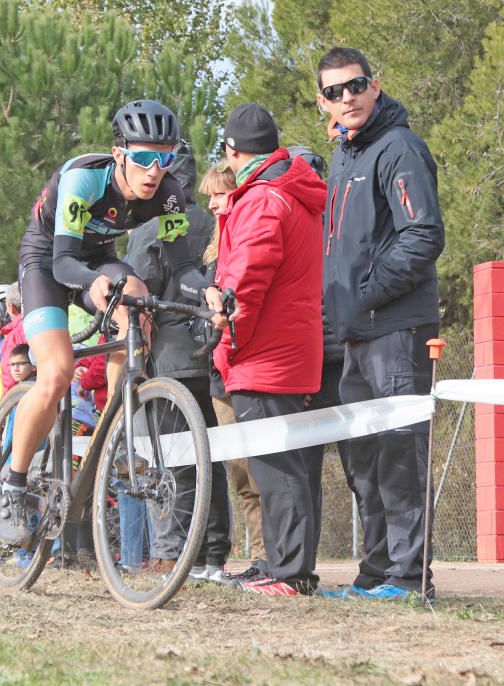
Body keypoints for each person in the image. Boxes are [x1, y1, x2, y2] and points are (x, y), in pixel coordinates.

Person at [2, 99, 222, 544]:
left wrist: (208, 290)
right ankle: (13, 483)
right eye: (143, 158)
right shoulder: (83, 178)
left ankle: (110, 427)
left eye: (164, 157)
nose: (154, 170)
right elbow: (63, 261)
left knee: (137, 300)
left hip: (99, 258)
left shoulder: (171, 193)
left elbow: (182, 270)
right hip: (48, 262)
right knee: (58, 372)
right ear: (119, 153)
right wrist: (94, 283)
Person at [317, 47, 445, 600]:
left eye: (355, 85)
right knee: (363, 462)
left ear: (375, 84)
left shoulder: (399, 148)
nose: (346, 97)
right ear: (322, 99)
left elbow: (423, 235)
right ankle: (374, 573)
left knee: (398, 456)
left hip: (396, 331)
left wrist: (366, 293)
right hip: (354, 336)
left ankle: (408, 578)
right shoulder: (347, 154)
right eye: (333, 91)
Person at [212, 103, 327, 596]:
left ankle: (290, 573)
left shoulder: (261, 199)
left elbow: (245, 284)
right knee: (288, 467)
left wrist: (226, 340)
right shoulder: (293, 192)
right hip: (292, 348)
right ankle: (284, 566)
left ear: (232, 151)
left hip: (263, 356)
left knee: (276, 471)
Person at [127, 139, 232, 582]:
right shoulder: (212, 217)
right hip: (209, 352)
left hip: (166, 359)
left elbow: (137, 288)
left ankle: (173, 553)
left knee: (170, 458)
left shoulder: (153, 223)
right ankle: (212, 554)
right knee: (213, 458)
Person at [200, 161, 267, 573]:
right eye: (208, 196)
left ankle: (276, 557)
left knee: (265, 476)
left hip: (254, 371)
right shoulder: (211, 251)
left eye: (219, 195)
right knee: (241, 478)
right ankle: (260, 555)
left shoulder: (252, 240)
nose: (212, 204)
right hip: (219, 377)